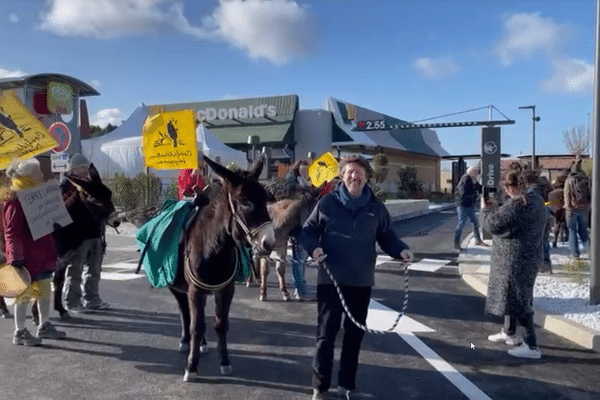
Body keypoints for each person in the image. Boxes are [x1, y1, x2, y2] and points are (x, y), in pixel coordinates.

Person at [298, 155, 414, 400]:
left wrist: (400, 250)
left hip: (361, 282)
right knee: (326, 335)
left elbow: (388, 236)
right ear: (342, 176)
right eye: (350, 172)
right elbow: (306, 231)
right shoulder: (327, 203)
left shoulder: (376, 207)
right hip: (331, 282)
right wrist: (313, 248)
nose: (355, 176)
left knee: (354, 336)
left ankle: (347, 386)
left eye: (360, 173)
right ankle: (320, 386)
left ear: (367, 177)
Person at [481, 169, 546, 359]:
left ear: (509, 187)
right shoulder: (535, 200)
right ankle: (509, 332)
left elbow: (492, 224)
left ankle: (531, 346)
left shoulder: (517, 205)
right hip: (528, 257)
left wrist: (485, 209)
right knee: (513, 297)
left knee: (519, 300)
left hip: (515, 260)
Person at [1, 158, 66, 345]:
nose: (42, 175)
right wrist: (15, 256)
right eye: (37, 172)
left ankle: (44, 326)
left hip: (42, 253)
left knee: (45, 289)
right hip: (26, 257)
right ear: (28, 176)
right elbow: (11, 231)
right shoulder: (14, 200)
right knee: (25, 294)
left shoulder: (37, 195)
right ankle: (20, 332)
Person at [61, 153, 110, 314]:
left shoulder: (91, 184)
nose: (84, 171)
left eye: (85, 168)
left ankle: (92, 299)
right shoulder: (66, 185)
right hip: (78, 235)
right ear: (73, 170)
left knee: (94, 269)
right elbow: (63, 209)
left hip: (95, 232)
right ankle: (72, 301)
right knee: (75, 269)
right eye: (81, 168)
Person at [285, 160, 315, 301]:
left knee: (301, 259)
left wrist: (318, 191)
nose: (305, 173)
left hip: (308, 225)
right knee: (299, 260)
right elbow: (295, 200)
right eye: (303, 171)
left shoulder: (310, 184)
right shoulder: (293, 185)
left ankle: (301, 290)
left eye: (307, 171)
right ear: (298, 171)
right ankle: (300, 291)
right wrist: (310, 192)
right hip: (297, 226)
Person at [523, 170, 553, 273]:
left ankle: (540, 265)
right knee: (545, 241)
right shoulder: (545, 186)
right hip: (546, 215)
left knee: (536, 243)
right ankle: (547, 263)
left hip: (536, 218)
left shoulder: (531, 191)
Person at [453, 166, 487, 250]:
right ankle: (456, 242)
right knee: (461, 223)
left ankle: (478, 240)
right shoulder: (465, 179)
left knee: (475, 222)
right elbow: (463, 193)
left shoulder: (473, 180)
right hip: (463, 205)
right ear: (472, 172)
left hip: (469, 204)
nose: (477, 174)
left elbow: (480, 188)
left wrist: (488, 190)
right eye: (476, 172)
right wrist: (475, 194)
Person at [564, 160, 590, 259]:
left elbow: (567, 194)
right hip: (584, 208)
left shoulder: (569, 179)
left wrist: (567, 206)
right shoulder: (586, 179)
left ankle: (574, 254)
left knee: (572, 230)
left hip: (572, 208)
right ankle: (589, 250)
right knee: (583, 230)